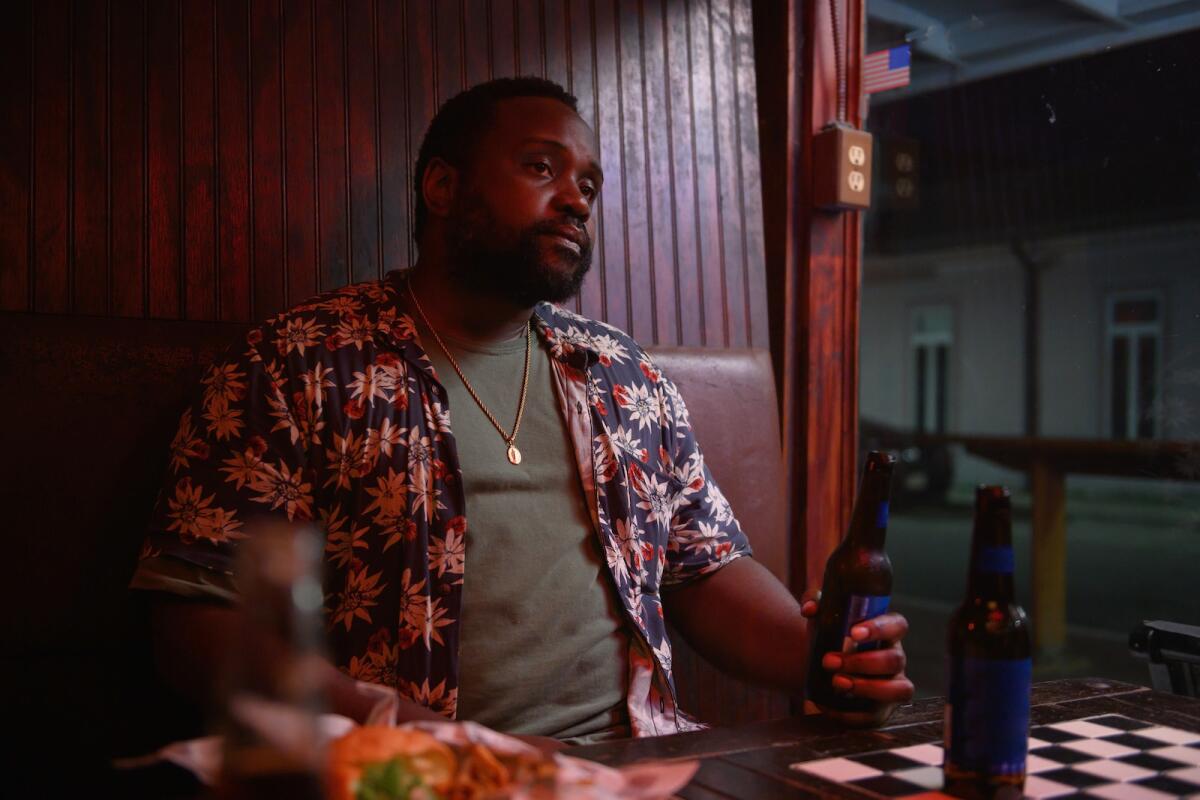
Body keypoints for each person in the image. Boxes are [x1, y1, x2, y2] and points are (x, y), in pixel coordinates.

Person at [132, 77, 912, 747]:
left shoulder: (622, 375)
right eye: (541, 167)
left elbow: (704, 570)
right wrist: (397, 729)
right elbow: (196, 623)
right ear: (442, 188)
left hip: (634, 767)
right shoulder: (299, 360)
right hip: (410, 778)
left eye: (589, 184)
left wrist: (826, 656)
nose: (575, 197)